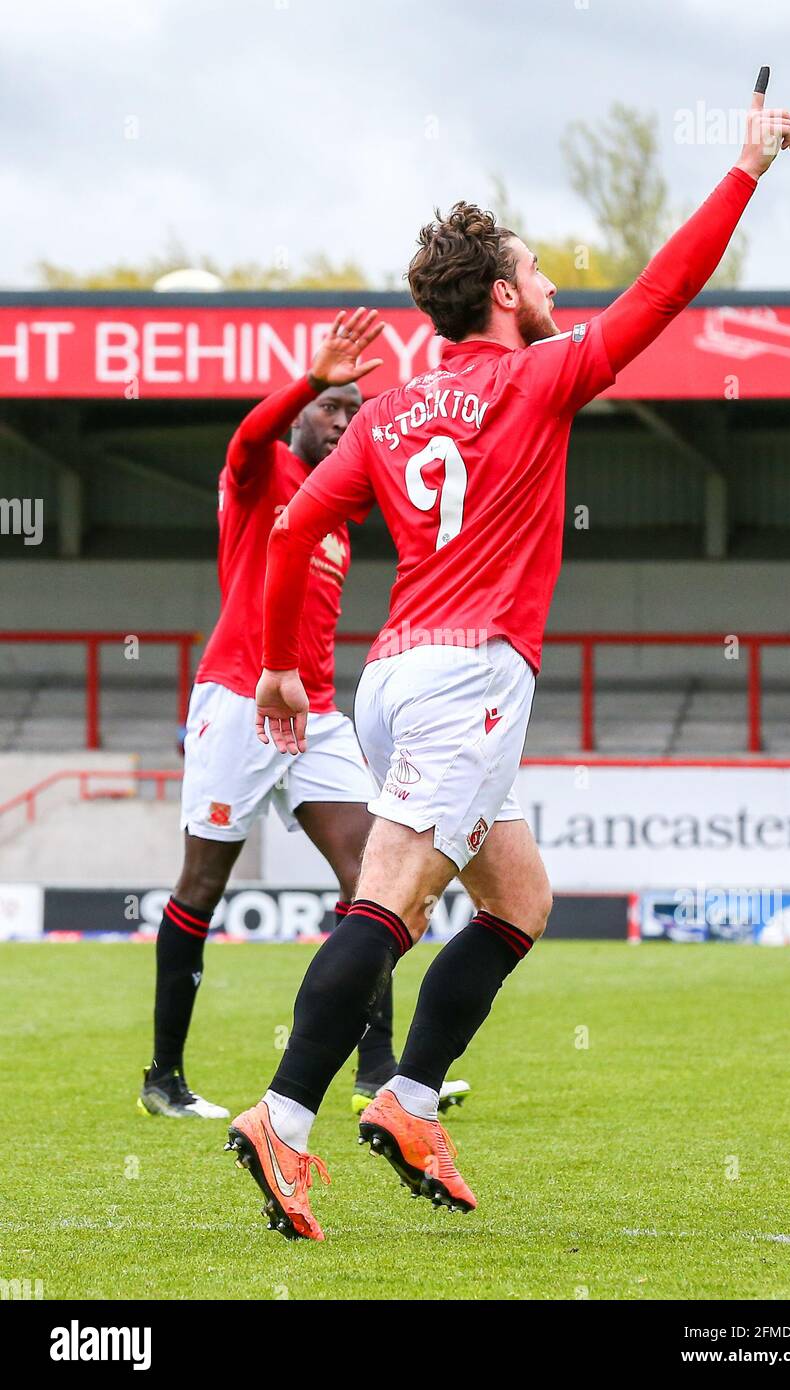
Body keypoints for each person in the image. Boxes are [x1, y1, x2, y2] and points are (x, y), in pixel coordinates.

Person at [225, 76, 790, 1240]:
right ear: (499, 296)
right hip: (470, 678)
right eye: (537, 274)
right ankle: (281, 1120)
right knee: (386, 899)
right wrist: (745, 168)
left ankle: (407, 1100)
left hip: (394, 676)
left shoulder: (388, 413)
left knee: (518, 897)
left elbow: (290, 526)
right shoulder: (541, 378)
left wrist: (285, 664)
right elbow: (665, 291)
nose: (552, 291)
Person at [139, 309, 468, 1119]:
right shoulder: (260, 476)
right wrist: (314, 376)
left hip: (318, 715)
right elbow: (248, 438)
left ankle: (376, 1069)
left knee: (374, 877)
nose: (343, 421)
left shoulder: (337, 510)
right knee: (203, 884)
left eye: (355, 412)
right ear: (302, 416)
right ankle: (164, 1079)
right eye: (332, 409)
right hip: (238, 699)